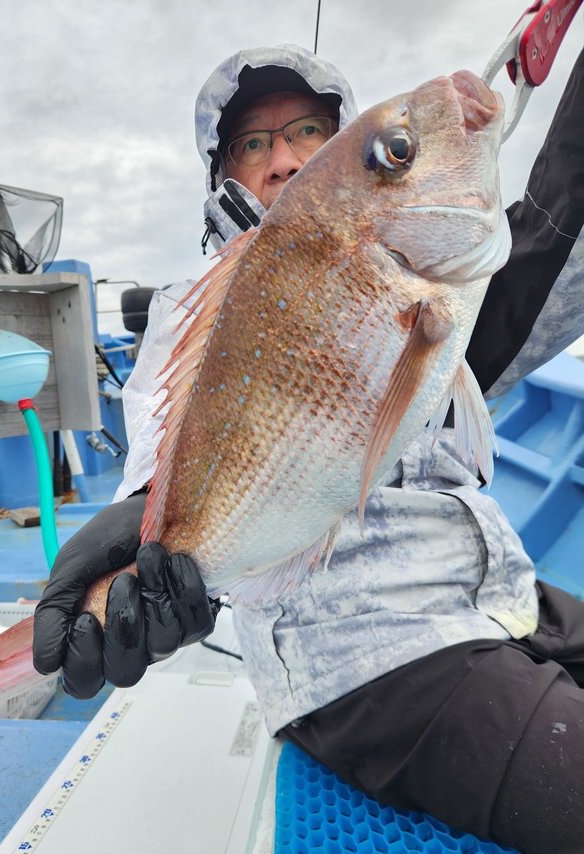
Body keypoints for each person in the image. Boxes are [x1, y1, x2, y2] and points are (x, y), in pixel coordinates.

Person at [33, 44, 584, 853]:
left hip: (504, 593)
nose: (285, 159)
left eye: (308, 133)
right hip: (361, 656)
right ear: (222, 174)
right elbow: (160, 451)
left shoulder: (440, 286)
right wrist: (144, 533)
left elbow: (552, 269)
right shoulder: (190, 310)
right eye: (253, 143)